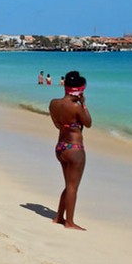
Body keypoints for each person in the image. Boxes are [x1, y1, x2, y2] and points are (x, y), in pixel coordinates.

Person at [48, 71, 92, 231]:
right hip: (75, 149)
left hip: (60, 147)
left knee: (68, 185)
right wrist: (83, 104)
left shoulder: (54, 103)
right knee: (73, 186)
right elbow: (88, 123)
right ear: (80, 90)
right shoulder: (76, 107)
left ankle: (59, 217)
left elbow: (56, 124)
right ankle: (69, 222)